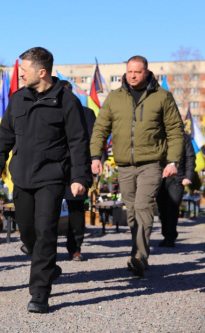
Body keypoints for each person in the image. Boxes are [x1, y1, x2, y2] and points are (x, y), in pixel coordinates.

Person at [0, 47, 92, 313]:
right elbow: (5, 135)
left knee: (46, 232)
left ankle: (39, 293)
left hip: (52, 177)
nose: (20, 74)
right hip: (22, 177)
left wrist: (80, 176)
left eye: (24, 70)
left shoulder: (67, 101)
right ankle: (49, 266)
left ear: (41, 72)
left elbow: (79, 142)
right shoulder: (18, 98)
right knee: (28, 234)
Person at [90, 55, 184, 277]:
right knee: (131, 211)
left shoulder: (162, 97)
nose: (132, 75)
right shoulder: (114, 98)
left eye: (137, 72)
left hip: (152, 163)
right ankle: (139, 253)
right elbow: (100, 129)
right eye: (129, 71)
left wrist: (172, 161)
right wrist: (96, 156)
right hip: (124, 165)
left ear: (147, 72)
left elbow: (175, 130)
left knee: (142, 206)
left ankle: (139, 256)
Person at [60, 80, 97, 262]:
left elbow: (91, 141)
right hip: (52, 168)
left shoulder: (87, 114)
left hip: (77, 168)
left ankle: (75, 248)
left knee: (76, 209)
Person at [156, 132, 195, 248]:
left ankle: (170, 237)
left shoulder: (184, 136)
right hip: (160, 178)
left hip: (177, 178)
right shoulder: (158, 133)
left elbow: (190, 157)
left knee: (172, 208)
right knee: (162, 209)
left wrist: (188, 176)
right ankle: (166, 235)